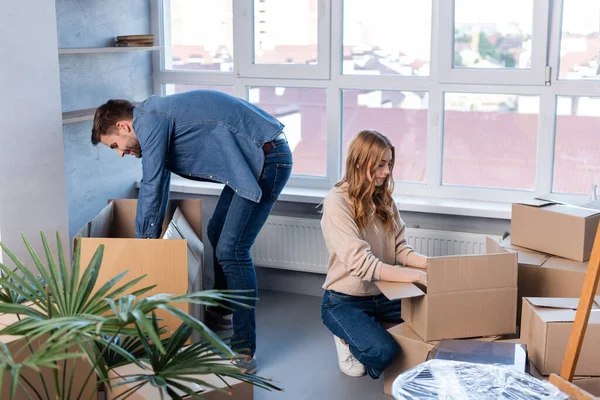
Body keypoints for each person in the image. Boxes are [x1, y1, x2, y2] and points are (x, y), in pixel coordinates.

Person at [91, 90, 293, 374]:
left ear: (124, 126)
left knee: (232, 251)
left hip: (266, 159)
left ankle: (244, 350)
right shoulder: (153, 116)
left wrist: (144, 248)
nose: (121, 153)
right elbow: (158, 183)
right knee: (216, 229)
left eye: (115, 145)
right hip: (253, 158)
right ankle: (223, 308)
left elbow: (154, 183)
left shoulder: (149, 120)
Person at [320, 129, 428, 379]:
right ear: (360, 162)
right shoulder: (337, 203)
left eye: (389, 164)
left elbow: (400, 249)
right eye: (381, 164)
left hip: (385, 294)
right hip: (345, 300)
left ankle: (365, 331)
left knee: (436, 315)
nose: (387, 171)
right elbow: (363, 265)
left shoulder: (384, 200)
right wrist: (418, 277)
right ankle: (346, 339)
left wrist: (430, 265)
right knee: (383, 352)